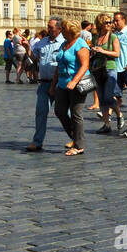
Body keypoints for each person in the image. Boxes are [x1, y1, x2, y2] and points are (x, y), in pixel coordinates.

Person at [51, 20, 91, 156]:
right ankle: (75, 137)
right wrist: (53, 85)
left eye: (63, 29)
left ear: (70, 31)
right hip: (62, 83)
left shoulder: (81, 44)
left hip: (77, 84)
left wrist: (74, 81)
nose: (61, 31)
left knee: (76, 114)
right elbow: (59, 66)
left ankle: (79, 146)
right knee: (60, 111)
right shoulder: (64, 44)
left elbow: (85, 65)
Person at [25, 19, 64, 152]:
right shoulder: (43, 42)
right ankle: (37, 141)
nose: (49, 29)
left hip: (60, 84)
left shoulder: (64, 42)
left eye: (51, 27)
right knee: (40, 112)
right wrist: (27, 48)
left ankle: (76, 139)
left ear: (59, 28)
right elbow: (34, 58)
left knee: (65, 113)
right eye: (48, 27)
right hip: (44, 83)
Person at [90, 14, 123, 133]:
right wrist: (93, 52)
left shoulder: (113, 37)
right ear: (100, 24)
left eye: (110, 22)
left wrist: (103, 50)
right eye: (107, 22)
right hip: (97, 69)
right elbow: (92, 52)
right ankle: (106, 124)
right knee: (102, 99)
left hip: (110, 68)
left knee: (108, 97)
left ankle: (119, 115)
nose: (109, 24)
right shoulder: (95, 37)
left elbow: (117, 54)